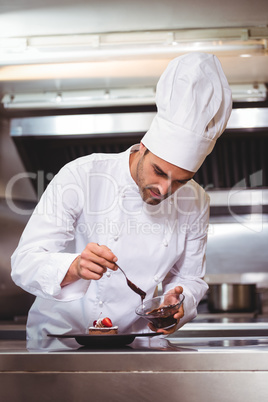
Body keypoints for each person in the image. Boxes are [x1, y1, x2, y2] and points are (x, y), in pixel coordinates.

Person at [11, 52, 232, 340]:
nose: (164, 190)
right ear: (142, 148)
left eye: (180, 181)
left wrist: (179, 302)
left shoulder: (196, 200)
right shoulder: (81, 175)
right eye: (158, 171)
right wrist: (75, 267)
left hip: (138, 343)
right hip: (60, 341)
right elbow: (25, 263)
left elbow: (189, 278)